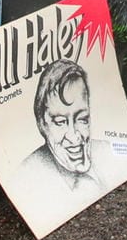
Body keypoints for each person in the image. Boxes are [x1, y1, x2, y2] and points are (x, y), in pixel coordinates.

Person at [13, 59, 103, 196]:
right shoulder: (25, 178)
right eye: (60, 122)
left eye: (82, 119)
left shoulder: (110, 154)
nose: (74, 137)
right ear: (42, 124)